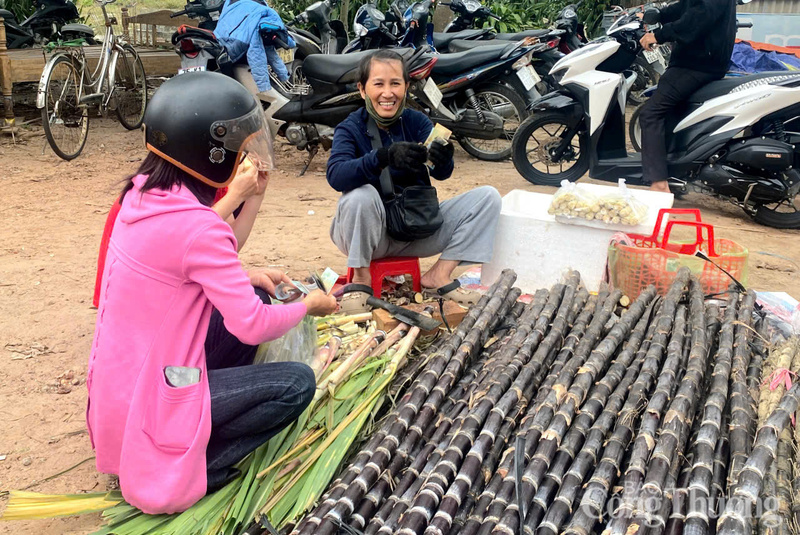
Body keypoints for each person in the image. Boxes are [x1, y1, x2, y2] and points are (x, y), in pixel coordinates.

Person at [86, 71, 337, 514]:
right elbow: (253, 326)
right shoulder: (196, 227)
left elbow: (202, 246)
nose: (247, 154)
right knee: (296, 384)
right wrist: (308, 305)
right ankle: (199, 463)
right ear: (212, 151)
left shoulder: (143, 196)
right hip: (156, 400)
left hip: (123, 391)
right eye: (241, 147)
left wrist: (251, 196)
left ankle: (186, 432)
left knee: (252, 295)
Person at [327, 50, 502, 312]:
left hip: (416, 229)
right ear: (362, 90)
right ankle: (362, 279)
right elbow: (336, 175)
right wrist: (383, 157)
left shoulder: (417, 121)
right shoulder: (350, 127)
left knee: (488, 197)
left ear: (406, 87)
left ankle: (439, 275)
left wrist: (444, 158)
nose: (388, 93)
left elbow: (442, 173)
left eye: (395, 83)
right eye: (379, 84)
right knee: (359, 195)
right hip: (369, 236)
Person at [638, 0, 737, 192]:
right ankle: (676, 173)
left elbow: (698, 16)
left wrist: (658, 35)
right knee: (673, 113)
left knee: (650, 113)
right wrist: (659, 14)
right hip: (702, 61)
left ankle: (659, 183)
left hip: (696, 64)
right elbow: (686, 6)